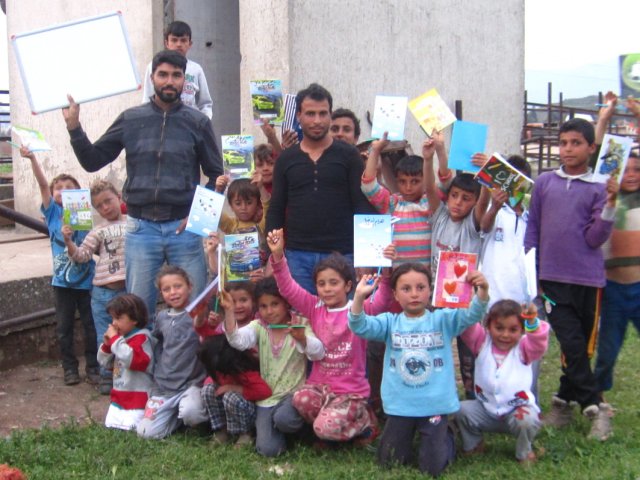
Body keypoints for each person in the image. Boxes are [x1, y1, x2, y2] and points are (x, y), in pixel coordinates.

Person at [63, 49, 223, 319]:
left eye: (176, 75)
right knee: (139, 312)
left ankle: (191, 362)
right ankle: (143, 361)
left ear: (185, 80)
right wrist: (74, 128)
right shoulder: (131, 119)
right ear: (153, 78)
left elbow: (216, 176)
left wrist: (197, 219)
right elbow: (93, 161)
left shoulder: (198, 123)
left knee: (195, 311)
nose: (169, 81)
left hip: (184, 231)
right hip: (140, 230)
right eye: (163, 75)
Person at [348, 263, 489, 476]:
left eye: (421, 287)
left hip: (435, 406)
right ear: (395, 294)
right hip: (400, 406)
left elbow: (470, 316)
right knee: (390, 461)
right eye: (406, 289)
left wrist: (482, 292)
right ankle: (415, 434)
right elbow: (360, 326)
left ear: (430, 290)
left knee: (432, 468)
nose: (414, 294)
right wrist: (359, 298)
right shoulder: (390, 322)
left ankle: (446, 433)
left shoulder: (443, 320)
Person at [524, 118, 617, 440]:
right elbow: (532, 228)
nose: (567, 150)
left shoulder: (600, 187)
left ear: (591, 148)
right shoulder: (545, 183)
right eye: (563, 143)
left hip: (589, 281)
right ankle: (597, 409)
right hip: (550, 280)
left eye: (575, 143)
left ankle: (562, 404)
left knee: (581, 349)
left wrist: (611, 206)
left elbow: (595, 239)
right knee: (570, 342)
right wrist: (531, 272)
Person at [267, 228, 393, 444]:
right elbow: (288, 288)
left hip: (350, 392)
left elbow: (382, 300)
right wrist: (278, 256)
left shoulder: (358, 308)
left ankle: (364, 420)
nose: (327, 289)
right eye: (321, 284)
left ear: (348, 285)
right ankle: (334, 421)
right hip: (320, 389)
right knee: (300, 399)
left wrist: (388, 270)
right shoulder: (314, 307)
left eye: (333, 283)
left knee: (323, 429)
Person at [265, 83, 376, 294]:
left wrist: (367, 257)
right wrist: (274, 255)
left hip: (344, 255)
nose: (317, 120)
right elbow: (276, 209)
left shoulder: (348, 155)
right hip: (298, 257)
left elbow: (363, 205)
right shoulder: (286, 159)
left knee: (345, 322)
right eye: (310, 113)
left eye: (323, 113)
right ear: (299, 116)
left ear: (330, 115)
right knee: (302, 323)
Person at [21, 146, 98, 386]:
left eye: (70, 187)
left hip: (87, 279)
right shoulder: (53, 213)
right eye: (59, 188)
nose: (63, 191)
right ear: (53, 194)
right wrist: (33, 158)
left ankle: (94, 367)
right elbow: (43, 184)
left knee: (91, 325)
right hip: (62, 282)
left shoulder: (84, 213)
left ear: (79, 193)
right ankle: (70, 369)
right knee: (64, 328)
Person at [225, 277, 325, 457]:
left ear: (286, 303)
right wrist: (229, 312)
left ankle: (302, 430)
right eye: (263, 306)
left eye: (274, 304)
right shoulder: (259, 326)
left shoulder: (300, 324)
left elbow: (318, 353)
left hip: (294, 395)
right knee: (269, 450)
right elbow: (237, 340)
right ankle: (285, 435)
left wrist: (302, 338)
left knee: (284, 419)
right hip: (267, 398)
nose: (269, 311)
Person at [425, 154, 490, 400]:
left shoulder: (472, 225)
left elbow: (484, 202)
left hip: (465, 301)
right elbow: (430, 187)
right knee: (434, 348)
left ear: (473, 203)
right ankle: (433, 395)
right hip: (435, 298)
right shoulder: (440, 216)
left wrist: (485, 174)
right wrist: (427, 157)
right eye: (454, 196)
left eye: (466, 199)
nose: (458, 203)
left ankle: (474, 398)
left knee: (468, 354)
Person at [456, 300, 550, 464]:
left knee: (527, 419)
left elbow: (538, 343)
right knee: (460, 410)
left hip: (516, 411)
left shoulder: (524, 348)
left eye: (513, 329)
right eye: (499, 328)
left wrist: (532, 321)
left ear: (522, 330)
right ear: (488, 326)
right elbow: (468, 326)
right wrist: (465, 300)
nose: (505, 335)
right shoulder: (481, 342)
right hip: (485, 410)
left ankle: (524, 452)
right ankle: (474, 444)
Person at [62, 180, 127, 395]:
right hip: (102, 293)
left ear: (118, 197)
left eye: (108, 201)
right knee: (104, 335)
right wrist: (69, 241)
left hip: (128, 292)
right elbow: (82, 256)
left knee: (131, 334)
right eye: (99, 205)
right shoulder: (97, 231)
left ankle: (129, 375)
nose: (105, 208)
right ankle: (106, 375)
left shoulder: (134, 223)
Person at [136, 266, 208, 439]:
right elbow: (157, 344)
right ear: (161, 294)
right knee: (145, 433)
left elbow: (213, 286)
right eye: (166, 289)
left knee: (192, 413)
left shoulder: (198, 314)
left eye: (178, 286)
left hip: (191, 384)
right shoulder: (161, 317)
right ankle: (175, 418)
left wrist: (212, 253)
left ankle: (189, 417)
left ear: (189, 286)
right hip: (164, 387)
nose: (173, 292)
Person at [362, 132, 449, 267]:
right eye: (402, 182)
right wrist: (375, 151)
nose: (408, 187)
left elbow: (446, 182)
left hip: (425, 280)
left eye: (415, 181)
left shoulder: (431, 203)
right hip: (397, 280)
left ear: (425, 179)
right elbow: (369, 187)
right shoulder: (393, 203)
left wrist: (440, 148)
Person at [594, 154, 640, 406]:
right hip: (613, 290)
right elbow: (599, 153)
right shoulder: (607, 201)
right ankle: (598, 395)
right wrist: (602, 121)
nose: (631, 174)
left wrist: (636, 112)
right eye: (626, 170)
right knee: (608, 349)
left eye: (637, 169)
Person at [198, 334, 272, 447]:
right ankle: (222, 430)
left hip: (248, 411)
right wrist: (213, 387)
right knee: (208, 390)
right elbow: (210, 380)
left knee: (230, 396)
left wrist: (236, 388)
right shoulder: (218, 369)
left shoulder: (244, 371)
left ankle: (245, 434)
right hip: (229, 411)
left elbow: (265, 391)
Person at [97, 294, 154, 431]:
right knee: (111, 426)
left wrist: (115, 340)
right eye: (112, 318)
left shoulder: (142, 338)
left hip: (137, 399)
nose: (114, 323)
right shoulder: (120, 340)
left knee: (130, 428)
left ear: (134, 319)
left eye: (119, 318)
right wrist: (106, 345)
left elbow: (132, 360)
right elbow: (104, 362)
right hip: (119, 397)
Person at [141, 21, 213, 119]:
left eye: (183, 41)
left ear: (190, 43)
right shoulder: (153, 66)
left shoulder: (196, 70)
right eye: (174, 40)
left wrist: (203, 122)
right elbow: (147, 100)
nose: (179, 45)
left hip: (189, 123)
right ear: (167, 43)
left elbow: (205, 103)